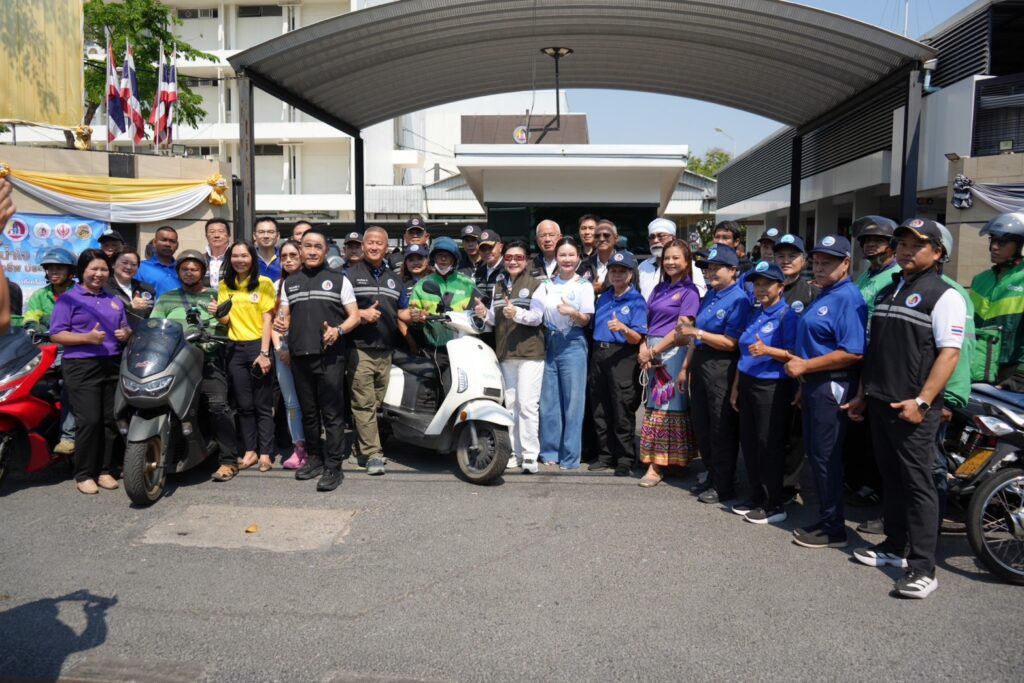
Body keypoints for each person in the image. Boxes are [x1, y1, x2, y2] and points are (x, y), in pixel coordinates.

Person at [845, 218, 965, 599]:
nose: (906, 250)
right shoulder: (888, 290)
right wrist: (863, 393)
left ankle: (923, 568)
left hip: (914, 408)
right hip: (881, 402)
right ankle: (894, 546)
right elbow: (875, 351)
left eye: (917, 245)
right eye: (902, 244)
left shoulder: (945, 295)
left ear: (938, 253)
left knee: (919, 485)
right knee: (892, 478)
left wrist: (923, 401)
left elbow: (949, 354)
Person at [784, 235, 866, 549]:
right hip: (814, 385)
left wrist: (806, 367)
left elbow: (853, 351)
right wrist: (805, 382)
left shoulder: (848, 297)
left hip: (832, 384)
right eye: (816, 262)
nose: (819, 268)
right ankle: (827, 518)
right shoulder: (827, 293)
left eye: (827, 263)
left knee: (826, 456)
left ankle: (834, 528)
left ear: (846, 263)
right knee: (818, 455)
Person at [277, 231, 360, 492]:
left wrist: (339, 330)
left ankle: (333, 466)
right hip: (300, 356)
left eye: (317, 247)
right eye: (307, 246)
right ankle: (314, 458)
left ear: (326, 251)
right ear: (300, 250)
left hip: (330, 357)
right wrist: (282, 323)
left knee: (332, 413)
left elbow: (355, 316)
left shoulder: (339, 280)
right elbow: (284, 316)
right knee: (309, 412)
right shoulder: (290, 283)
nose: (312, 251)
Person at [150, 250, 240, 482]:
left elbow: (229, 323)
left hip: (207, 360)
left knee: (218, 405)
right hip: (174, 363)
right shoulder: (167, 298)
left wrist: (216, 324)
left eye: (194, 269)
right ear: (178, 271)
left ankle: (228, 460)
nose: (189, 273)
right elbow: (154, 326)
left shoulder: (215, 295)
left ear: (202, 272)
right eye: (184, 269)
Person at [49, 250, 131, 494]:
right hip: (81, 366)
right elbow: (57, 334)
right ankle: (84, 473)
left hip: (112, 363)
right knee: (89, 420)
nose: (99, 274)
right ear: (82, 271)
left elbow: (125, 327)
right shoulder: (68, 299)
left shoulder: (113, 299)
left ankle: (104, 470)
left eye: (103, 269)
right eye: (93, 269)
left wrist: (126, 333)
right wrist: (86, 338)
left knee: (110, 420)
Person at [676, 245, 751, 504]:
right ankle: (712, 474)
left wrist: (697, 332)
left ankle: (724, 484)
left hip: (721, 365)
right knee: (703, 424)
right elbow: (695, 333)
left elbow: (731, 342)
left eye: (716, 267)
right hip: (701, 360)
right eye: (708, 268)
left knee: (721, 427)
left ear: (733, 270)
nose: (710, 272)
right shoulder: (711, 294)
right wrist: (685, 367)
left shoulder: (739, 299)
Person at [729, 261, 799, 524]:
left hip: (772, 386)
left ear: (780, 287)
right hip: (748, 382)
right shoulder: (756, 313)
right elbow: (744, 353)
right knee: (749, 442)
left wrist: (769, 351)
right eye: (757, 284)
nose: (760, 289)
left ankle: (774, 502)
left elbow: (795, 354)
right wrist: (736, 387)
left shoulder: (787, 315)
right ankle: (757, 495)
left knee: (768, 444)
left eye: (766, 284)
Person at [472, 240, 546, 473]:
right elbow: (497, 319)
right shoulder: (499, 284)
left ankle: (530, 455)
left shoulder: (537, 284)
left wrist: (518, 313)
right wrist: (484, 314)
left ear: (527, 261)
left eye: (519, 257)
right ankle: (515, 453)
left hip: (530, 353)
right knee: (511, 405)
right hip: (505, 353)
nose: (513, 261)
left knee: (527, 405)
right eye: (510, 258)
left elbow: (538, 317)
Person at [637, 239, 700, 487]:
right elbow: (647, 321)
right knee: (654, 405)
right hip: (653, 351)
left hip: (672, 353)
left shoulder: (690, 292)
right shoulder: (659, 288)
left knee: (666, 405)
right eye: (667, 258)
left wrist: (653, 350)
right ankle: (669, 461)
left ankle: (656, 466)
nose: (670, 262)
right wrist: (644, 348)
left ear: (687, 261)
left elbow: (682, 332)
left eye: (676, 258)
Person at [345, 226, 407, 476]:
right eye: (369, 242)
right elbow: (337, 308)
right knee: (364, 404)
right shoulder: (348, 275)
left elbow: (401, 311)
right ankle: (373, 455)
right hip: (359, 349)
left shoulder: (395, 278)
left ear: (386, 247)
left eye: (378, 243)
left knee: (376, 404)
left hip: (386, 350)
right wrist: (361, 313)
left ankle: (358, 450)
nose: (373, 246)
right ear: (363, 246)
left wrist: (414, 315)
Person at [535, 237, 594, 470]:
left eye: (571, 255)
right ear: (556, 257)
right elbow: (535, 313)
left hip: (573, 343)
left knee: (573, 403)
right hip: (550, 342)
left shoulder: (584, 285)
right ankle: (550, 451)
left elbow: (586, 319)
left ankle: (570, 456)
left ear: (578, 257)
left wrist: (573, 312)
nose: (567, 259)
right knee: (549, 401)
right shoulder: (546, 284)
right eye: (562, 255)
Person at [217, 241, 277, 473]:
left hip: (257, 346)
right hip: (234, 348)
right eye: (235, 256)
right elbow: (226, 320)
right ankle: (250, 451)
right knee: (244, 405)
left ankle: (266, 453)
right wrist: (217, 313)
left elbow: (267, 320)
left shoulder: (264, 283)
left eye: (244, 256)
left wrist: (264, 353)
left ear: (252, 258)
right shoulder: (225, 284)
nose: (239, 260)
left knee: (263, 404)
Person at [587, 251, 647, 475]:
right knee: (600, 407)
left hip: (622, 355)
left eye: (622, 271)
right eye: (613, 271)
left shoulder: (637, 301)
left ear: (631, 274)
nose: (617, 275)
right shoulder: (604, 296)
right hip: (599, 354)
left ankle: (625, 458)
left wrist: (623, 328)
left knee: (622, 407)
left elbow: (638, 338)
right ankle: (605, 455)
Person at [772, 234, 818, 504]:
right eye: (781, 256)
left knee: (793, 435)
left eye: (792, 256)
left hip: (795, 374)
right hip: (765, 373)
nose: (786, 261)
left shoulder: (811, 293)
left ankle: (788, 487)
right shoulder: (764, 288)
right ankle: (768, 482)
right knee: (769, 432)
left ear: (804, 261)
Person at [25, 247, 79, 455]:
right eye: (50, 268)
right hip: (45, 352)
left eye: (59, 268)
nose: (54, 272)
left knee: (68, 387)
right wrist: (34, 328)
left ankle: (68, 437)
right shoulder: (40, 295)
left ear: (70, 272)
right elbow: (31, 318)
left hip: (72, 352)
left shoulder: (79, 293)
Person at [970, 211, 1024, 388]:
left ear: (1019, 245)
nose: (994, 247)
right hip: (977, 368)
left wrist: (1021, 375)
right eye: (992, 240)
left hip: (1013, 373)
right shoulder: (980, 280)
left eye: (1002, 242)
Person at [270, 240, 307, 471]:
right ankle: (298, 447)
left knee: (310, 401)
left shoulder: (311, 282)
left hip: (305, 349)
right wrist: (280, 349)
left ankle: (313, 445)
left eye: (293, 255)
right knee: (291, 402)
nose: (288, 260)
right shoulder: (277, 285)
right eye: (284, 256)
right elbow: (273, 321)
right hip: (282, 350)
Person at [408, 237, 480, 352]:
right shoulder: (421, 285)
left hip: (465, 346)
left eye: (448, 255)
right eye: (439, 255)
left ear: (454, 259)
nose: (443, 259)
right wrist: (417, 318)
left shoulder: (467, 283)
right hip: (435, 347)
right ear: (433, 258)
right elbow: (413, 318)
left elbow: (478, 315)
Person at [639, 218, 707, 300]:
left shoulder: (690, 265)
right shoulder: (642, 267)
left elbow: (700, 296)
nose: (655, 240)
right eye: (652, 237)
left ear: (673, 238)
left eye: (661, 236)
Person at [853, 216, 900, 319]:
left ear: (892, 246)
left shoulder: (897, 276)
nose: (870, 244)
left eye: (878, 240)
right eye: (867, 240)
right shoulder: (867, 274)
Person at [103, 250, 155, 328]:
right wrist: (130, 307)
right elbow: (102, 314)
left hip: (141, 334)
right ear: (113, 264)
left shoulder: (146, 288)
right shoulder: (103, 287)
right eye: (124, 263)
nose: (129, 267)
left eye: (134, 264)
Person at [137, 226, 181, 297]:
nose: (168, 244)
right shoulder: (141, 268)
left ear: (177, 245)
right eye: (164, 240)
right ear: (155, 242)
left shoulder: (182, 269)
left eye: (172, 241)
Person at [473, 229, 505, 307]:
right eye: (483, 249)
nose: (487, 252)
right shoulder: (479, 271)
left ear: (500, 247)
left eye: (490, 248)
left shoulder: (508, 269)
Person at [204, 218, 232, 289]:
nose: (216, 235)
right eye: (212, 232)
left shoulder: (235, 258)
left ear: (228, 235)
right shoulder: (200, 259)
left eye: (221, 231)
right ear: (206, 236)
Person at [253, 217, 281, 282]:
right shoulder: (248, 258)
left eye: (271, 232)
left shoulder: (285, 257)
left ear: (278, 236)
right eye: (261, 232)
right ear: (254, 236)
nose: (266, 236)